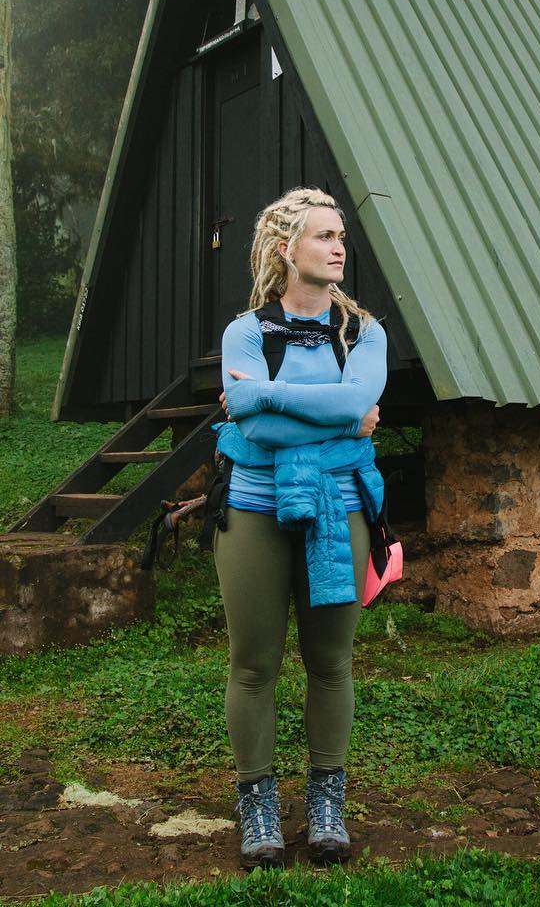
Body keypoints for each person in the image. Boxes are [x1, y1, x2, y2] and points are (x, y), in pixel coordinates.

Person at [214, 186, 386, 868]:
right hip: (252, 508)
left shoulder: (364, 332)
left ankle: (326, 802)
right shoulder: (246, 332)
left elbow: (354, 400)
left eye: (341, 235)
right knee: (254, 664)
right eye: (324, 235)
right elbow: (257, 430)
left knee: (331, 662)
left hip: (341, 511)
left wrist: (263, 393)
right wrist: (341, 417)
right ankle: (257, 803)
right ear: (287, 249)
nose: (340, 246)